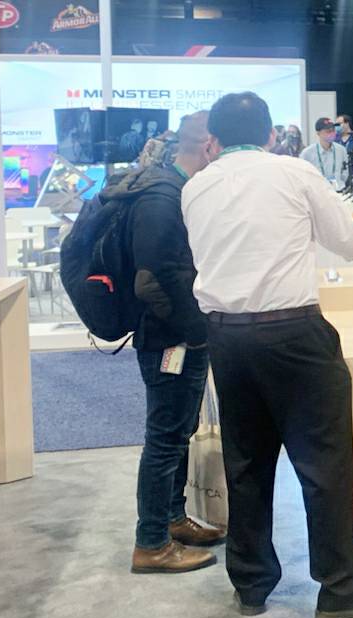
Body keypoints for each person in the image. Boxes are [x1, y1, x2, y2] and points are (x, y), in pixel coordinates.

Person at [181, 92, 353, 618]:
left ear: (214, 140)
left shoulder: (196, 186)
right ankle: (341, 588)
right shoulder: (294, 173)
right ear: (272, 134)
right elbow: (348, 244)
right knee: (324, 463)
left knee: (246, 464)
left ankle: (251, 585)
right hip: (293, 333)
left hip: (226, 337)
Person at [98, 111, 228, 573]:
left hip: (176, 334)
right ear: (210, 146)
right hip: (169, 339)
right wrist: (196, 331)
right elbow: (153, 279)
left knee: (178, 433)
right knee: (165, 439)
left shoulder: (172, 189)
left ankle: (172, 519)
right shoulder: (162, 197)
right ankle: (151, 542)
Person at [300, 117, 349, 190]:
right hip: (318, 192)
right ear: (318, 133)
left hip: (338, 191)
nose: (332, 133)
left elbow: (345, 172)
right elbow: (302, 175)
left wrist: (339, 183)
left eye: (333, 130)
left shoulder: (341, 150)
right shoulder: (307, 153)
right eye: (328, 131)